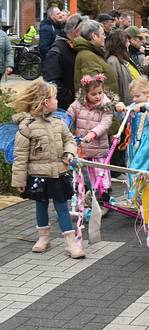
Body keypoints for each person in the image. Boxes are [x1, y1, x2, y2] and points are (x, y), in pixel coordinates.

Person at [10, 80, 82, 258]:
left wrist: (69, 153)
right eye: (54, 98)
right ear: (45, 102)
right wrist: (19, 181)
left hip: (58, 172)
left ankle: (70, 242)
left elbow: (70, 140)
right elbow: (20, 157)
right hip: (38, 175)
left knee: (62, 207)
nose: (57, 101)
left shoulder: (59, 123)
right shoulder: (27, 129)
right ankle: (43, 238)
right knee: (40, 206)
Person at [67, 74, 124, 207]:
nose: (98, 96)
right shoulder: (78, 104)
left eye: (100, 92)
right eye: (94, 94)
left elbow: (105, 123)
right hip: (83, 147)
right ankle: (86, 195)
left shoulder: (106, 105)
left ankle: (104, 196)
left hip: (98, 147)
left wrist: (93, 133)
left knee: (100, 173)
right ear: (86, 93)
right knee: (84, 173)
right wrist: (65, 124)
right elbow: (69, 115)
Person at [124, 78, 149, 197]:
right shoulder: (133, 105)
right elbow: (125, 117)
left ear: (147, 94)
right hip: (134, 142)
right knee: (131, 167)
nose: (135, 99)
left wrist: (144, 105)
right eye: (133, 97)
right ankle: (136, 196)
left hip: (147, 142)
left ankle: (138, 196)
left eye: (137, 96)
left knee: (138, 168)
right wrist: (122, 109)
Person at [42, 14, 82, 110]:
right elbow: (51, 80)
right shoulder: (57, 50)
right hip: (63, 107)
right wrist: (69, 95)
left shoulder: (73, 47)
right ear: (76, 32)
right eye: (82, 31)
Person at [106, 30, 140, 104]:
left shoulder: (125, 58)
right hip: (123, 103)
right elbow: (112, 86)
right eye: (127, 41)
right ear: (120, 43)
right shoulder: (112, 61)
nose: (129, 44)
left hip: (133, 101)